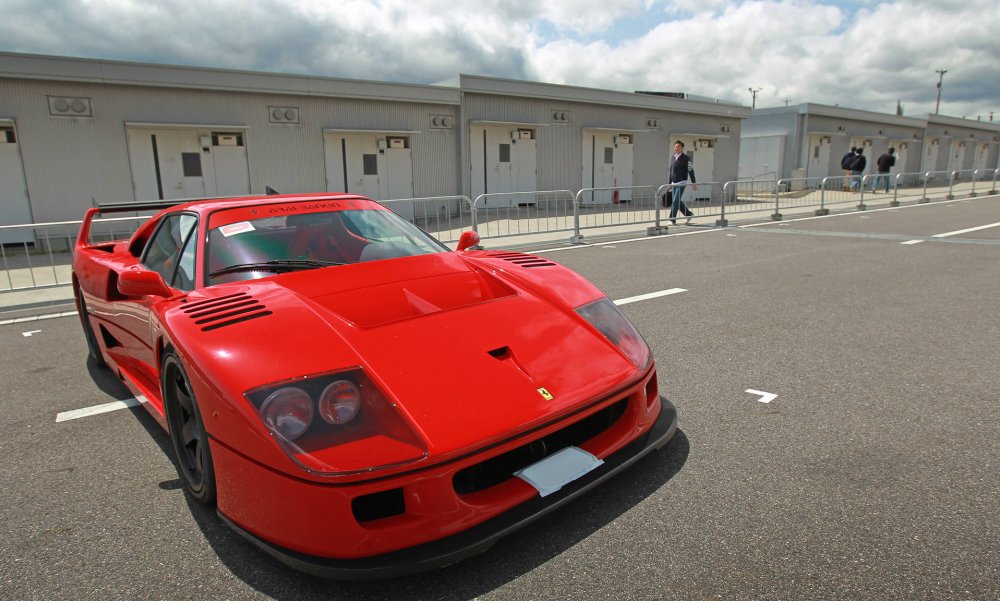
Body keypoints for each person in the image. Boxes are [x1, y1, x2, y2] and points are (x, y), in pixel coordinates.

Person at [667, 140, 697, 224]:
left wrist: (694, 183)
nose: (676, 148)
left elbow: (691, 170)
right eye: (675, 146)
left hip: (682, 182)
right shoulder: (673, 157)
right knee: (677, 201)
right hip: (674, 183)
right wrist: (669, 183)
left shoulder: (686, 158)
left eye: (678, 146)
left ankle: (672, 219)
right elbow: (671, 171)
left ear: (682, 148)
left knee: (675, 200)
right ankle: (688, 214)